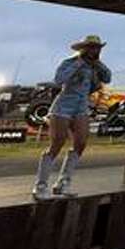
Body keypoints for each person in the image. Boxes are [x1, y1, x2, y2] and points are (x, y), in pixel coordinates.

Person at [32, 34, 111, 201]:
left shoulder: (95, 66)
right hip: (63, 105)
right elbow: (59, 79)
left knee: (81, 143)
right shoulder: (69, 62)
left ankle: (63, 183)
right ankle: (40, 186)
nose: (94, 50)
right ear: (84, 48)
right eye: (91, 47)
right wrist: (78, 64)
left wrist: (98, 65)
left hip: (81, 107)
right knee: (57, 142)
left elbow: (108, 78)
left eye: (97, 48)